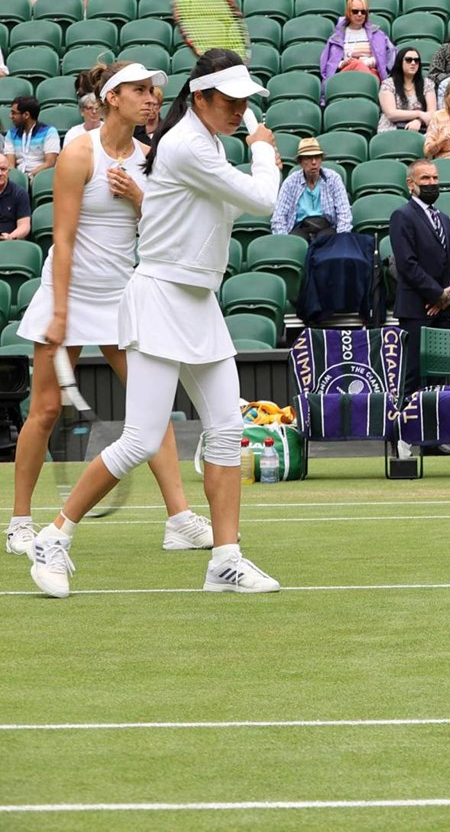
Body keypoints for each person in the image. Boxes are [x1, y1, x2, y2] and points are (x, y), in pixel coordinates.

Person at [24, 50, 282, 598]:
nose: (239, 111)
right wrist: (263, 153)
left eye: (245, 103)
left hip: (198, 300)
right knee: (140, 439)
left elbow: (224, 211)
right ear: (201, 98)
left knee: (227, 431)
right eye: (229, 101)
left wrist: (245, 151)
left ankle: (226, 560)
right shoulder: (188, 144)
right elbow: (262, 199)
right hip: (161, 295)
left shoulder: (205, 143)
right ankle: (53, 537)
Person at [8, 64, 210, 563]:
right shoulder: (79, 152)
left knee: (153, 409)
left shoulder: (149, 158)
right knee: (45, 410)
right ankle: (18, 523)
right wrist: (58, 310)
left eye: (154, 93)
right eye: (140, 91)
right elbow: (62, 238)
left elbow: (162, 229)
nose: (151, 100)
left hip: (123, 297)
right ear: (113, 97)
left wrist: (140, 197)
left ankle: (180, 519)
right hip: (69, 291)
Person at [389, 158, 450, 457]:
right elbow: (406, 265)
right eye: (425, 179)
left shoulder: (443, 218)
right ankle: (402, 441)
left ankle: (433, 440)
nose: (432, 183)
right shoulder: (402, 216)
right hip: (416, 309)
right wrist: (434, 295)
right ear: (411, 184)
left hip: (442, 309)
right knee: (414, 376)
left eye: (435, 178)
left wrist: (446, 295)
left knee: (437, 378)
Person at [270, 137, 351, 237]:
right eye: (308, 158)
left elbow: (344, 214)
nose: (314, 162)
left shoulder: (333, 179)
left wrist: (341, 239)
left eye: (317, 157)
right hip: (300, 229)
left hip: (327, 229)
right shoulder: (290, 183)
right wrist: (285, 243)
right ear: (300, 162)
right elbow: (279, 217)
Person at [320, 0, 395, 83]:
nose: (360, 14)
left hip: (371, 71)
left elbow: (384, 56)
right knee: (356, 64)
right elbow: (328, 63)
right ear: (349, 12)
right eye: (355, 11)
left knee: (361, 66)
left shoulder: (377, 34)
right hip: (346, 74)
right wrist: (342, 63)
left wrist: (365, 63)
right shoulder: (337, 37)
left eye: (363, 12)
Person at [378, 46, 435, 133]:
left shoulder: (427, 84)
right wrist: (419, 114)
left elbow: (431, 113)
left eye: (416, 60)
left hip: (420, 129)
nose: (413, 63)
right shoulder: (388, 84)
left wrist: (418, 121)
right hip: (392, 129)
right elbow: (391, 114)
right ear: (400, 62)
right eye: (409, 60)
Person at [8, 96, 57, 175]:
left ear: (26, 115)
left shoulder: (49, 132)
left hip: (40, 175)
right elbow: (10, 165)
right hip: (19, 177)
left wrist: (30, 175)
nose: (10, 116)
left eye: (14, 113)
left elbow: (50, 163)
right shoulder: (11, 134)